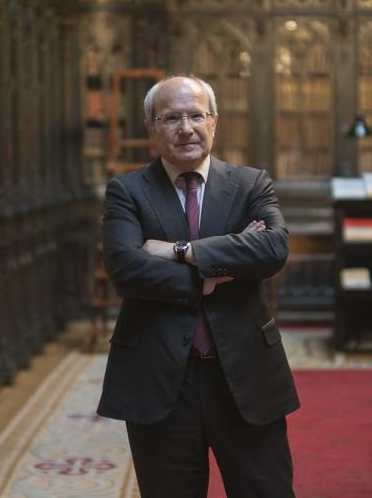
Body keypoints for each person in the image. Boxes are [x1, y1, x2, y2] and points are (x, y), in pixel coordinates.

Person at [98, 75, 299, 497]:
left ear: (214, 122)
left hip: (245, 373)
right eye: (171, 118)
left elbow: (273, 250)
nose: (186, 128)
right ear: (151, 128)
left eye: (196, 115)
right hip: (161, 379)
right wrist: (213, 274)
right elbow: (126, 270)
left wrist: (180, 251)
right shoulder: (127, 191)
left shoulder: (250, 184)